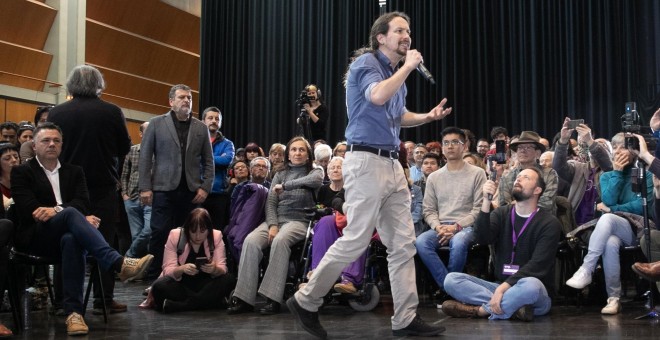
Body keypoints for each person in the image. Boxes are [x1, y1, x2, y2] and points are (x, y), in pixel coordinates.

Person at [288, 11, 452, 338]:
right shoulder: (366, 66)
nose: (407, 36)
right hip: (365, 160)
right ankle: (306, 298)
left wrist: (427, 116)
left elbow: (398, 114)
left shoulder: (395, 73)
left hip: (392, 163)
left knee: (403, 244)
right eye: (400, 31)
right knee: (357, 238)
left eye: (409, 31)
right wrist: (407, 67)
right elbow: (376, 96)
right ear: (381, 37)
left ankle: (405, 318)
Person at [11, 123, 152, 336]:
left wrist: (56, 210)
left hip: (68, 234)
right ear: (34, 145)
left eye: (56, 141)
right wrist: (65, 211)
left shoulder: (74, 171)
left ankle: (74, 315)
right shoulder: (22, 172)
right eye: (46, 141)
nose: (52, 144)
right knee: (70, 215)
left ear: (62, 145)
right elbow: (28, 208)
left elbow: (83, 203)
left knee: (71, 239)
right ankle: (117, 262)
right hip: (37, 236)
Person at [48, 65, 132, 314]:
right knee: (104, 240)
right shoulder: (112, 111)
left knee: (67, 241)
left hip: (67, 187)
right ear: (99, 84)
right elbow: (124, 147)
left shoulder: (57, 112)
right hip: (102, 186)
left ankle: (62, 300)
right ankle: (103, 299)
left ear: (70, 85)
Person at [441, 167, 560, 321]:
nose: (518, 179)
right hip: (500, 286)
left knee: (531, 285)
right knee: (451, 280)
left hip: (532, 290)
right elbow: (481, 238)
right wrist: (486, 201)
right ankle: (514, 308)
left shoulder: (549, 222)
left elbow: (538, 265)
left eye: (526, 178)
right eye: (518, 176)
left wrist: (504, 288)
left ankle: (479, 311)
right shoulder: (502, 213)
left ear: (537, 190)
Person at [228, 136, 323, 315]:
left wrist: (286, 186)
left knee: (279, 241)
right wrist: (272, 224)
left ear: (308, 154)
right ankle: (244, 298)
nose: (297, 153)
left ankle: (273, 298)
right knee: (251, 241)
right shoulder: (279, 173)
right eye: (294, 149)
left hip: (300, 221)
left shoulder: (314, 171)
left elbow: (315, 182)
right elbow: (271, 202)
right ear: (288, 154)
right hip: (277, 220)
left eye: (301, 150)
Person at [565, 132, 654, 315]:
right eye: (617, 148)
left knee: (607, 217)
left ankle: (587, 267)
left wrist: (613, 210)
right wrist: (618, 174)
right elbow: (609, 199)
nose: (620, 152)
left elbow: (641, 206)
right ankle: (613, 298)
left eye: (624, 147)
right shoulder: (607, 176)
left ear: (635, 150)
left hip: (641, 228)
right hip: (617, 229)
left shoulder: (646, 173)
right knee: (610, 242)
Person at [139, 84, 214, 280]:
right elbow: (145, 158)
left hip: (191, 191)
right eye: (182, 97)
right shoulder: (155, 124)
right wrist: (145, 187)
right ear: (171, 101)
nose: (186, 101)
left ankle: (183, 276)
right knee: (159, 232)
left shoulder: (201, 127)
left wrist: (205, 187)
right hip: (163, 189)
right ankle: (155, 277)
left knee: (188, 235)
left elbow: (209, 161)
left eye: (189, 98)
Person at [415, 127, 486, 302]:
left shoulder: (477, 173)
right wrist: (438, 226)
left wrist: (456, 227)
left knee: (459, 241)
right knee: (421, 242)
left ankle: (449, 288)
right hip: (441, 225)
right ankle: (449, 288)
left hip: (466, 226)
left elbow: (478, 209)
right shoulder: (434, 177)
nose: (450, 146)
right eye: (446, 143)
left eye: (455, 142)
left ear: (465, 145)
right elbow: (429, 210)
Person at [150, 208, 236, 313]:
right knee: (159, 286)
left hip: (207, 284)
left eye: (202, 231)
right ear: (187, 228)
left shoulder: (216, 236)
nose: (198, 236)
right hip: (182, 285)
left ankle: (182, 306)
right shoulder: (175, 236)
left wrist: (214, 269)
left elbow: (223, 268)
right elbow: (167, 269)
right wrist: (181, 269)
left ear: (209, 229)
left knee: (229, 280)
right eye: (193, 231)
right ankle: (212, 303)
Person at [553, 118, 612, 225]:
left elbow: (607, 164)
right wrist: (563, 141)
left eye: (602, 147)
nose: (594, 148)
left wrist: (590, 141)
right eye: (593, 146)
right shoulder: (578, 167)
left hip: (601, 223)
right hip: (575, 223)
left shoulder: (609, 171)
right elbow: (558, 167)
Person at [498, 131, 558, 213]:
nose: (523, 151)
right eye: (520, 148)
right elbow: (504, 207)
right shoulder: (507, 177)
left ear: (538, 153)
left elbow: (547, 203)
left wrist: (518, 203)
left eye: (528, 147)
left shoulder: (549, 173)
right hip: (515, 222)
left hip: (543, 220)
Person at [121, 122, 152, 261]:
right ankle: (137, 269)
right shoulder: (132, 150)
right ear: (141, 134)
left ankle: (128, 257)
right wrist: (124, 195)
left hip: (151, 198)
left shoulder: (159, 152)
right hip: (131, 198)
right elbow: (124, 174)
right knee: (136, 235)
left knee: (148, 231)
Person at [201, 106, 235, 230]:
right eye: (210, 118)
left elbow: (226, 160)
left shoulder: (227, 144)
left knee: (216, 232)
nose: (214, 121)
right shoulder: (196, 141)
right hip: (198, 192)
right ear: (203, 121)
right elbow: (192, 160)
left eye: (217, 119)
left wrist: (204, 157)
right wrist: (217, 158)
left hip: (219, 194)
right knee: (196, 230)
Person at [0, 143, 19, 211]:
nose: (14, 160)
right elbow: (5, 205)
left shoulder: (26, 178)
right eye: (7, 158)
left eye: (16, 157)